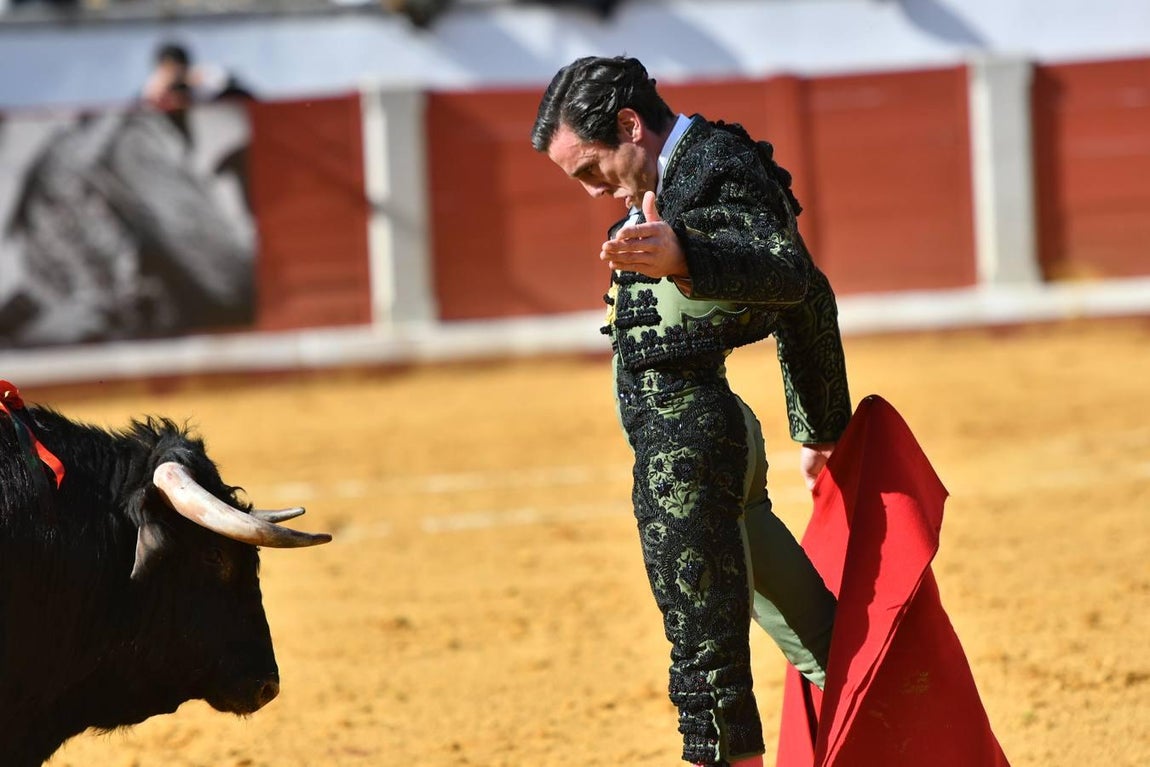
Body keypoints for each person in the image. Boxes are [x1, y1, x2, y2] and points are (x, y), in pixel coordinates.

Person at [531, 56, 853, 766]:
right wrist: (820, 426)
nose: (592, 192)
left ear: (628, 126)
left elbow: (789, 274)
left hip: (689, 450)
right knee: (820, 638)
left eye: (591, 170)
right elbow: (807, 288)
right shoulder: (665, 182)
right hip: (707, 444)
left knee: (706, 669)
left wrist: (686, 253)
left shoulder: (712, 161)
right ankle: (903, 739)